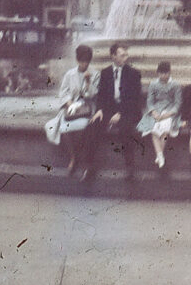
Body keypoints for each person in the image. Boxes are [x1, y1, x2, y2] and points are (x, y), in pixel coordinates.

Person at [82, 42, 143, 182]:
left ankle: (130, 168)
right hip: (109, 110)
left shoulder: (134, 74)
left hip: (128, 110)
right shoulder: (105, 73)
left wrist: (120, 113)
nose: (125, 58)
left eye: (126, 55)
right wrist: (99, 110)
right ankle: (89, 167)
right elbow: (102, 95)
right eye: (122, 55)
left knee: (126, 129)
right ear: (113, 56)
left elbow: (134, 99)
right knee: (92, 126)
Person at [51, 44, 100, 176]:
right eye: (82, 61)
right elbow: (63, 92)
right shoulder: (70, 74)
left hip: (86, 107)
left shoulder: (95, 74)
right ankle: (73, 156)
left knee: (83, 127)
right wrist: (69, 103)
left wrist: (88, 82)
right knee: (64, 128)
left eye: (87, 61)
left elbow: (93, 94)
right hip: (71, 107)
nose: (85, 64)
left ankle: (81, 157)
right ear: (78, 60)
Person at [136, 61, 182, 169]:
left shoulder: (175, 85)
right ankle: (160, 155)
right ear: (158, 73)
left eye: (166, 73)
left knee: (165, 131)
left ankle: (159, 154)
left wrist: (168, 114)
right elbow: (150, 101)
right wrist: (153, 112)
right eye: (161, 73)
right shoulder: (153, 84)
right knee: (154, 131)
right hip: (156, 110)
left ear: (170, 73)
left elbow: (178, 102)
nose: (163, 76)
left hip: (169, 111)